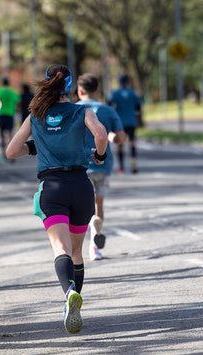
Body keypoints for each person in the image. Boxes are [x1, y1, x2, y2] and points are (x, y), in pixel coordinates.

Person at [6, 64, 108, 334]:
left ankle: (68, 296)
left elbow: (11, 151)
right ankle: (75, 302)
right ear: (70, 86)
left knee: (60, 250)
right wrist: (100, 156)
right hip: (81, 187)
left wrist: (37, 147)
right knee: (76, 252)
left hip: (52, 188)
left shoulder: (35, 114)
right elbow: (100, 135)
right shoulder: (82, 110)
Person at [76, 73, 126, 261]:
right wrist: (112, 137)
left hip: (80, 165)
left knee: (81, 206)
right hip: (103, 163)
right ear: (97, 90)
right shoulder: (108, 111)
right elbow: (121, 138)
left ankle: (81, 245)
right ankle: (95, 246)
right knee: (99, 204)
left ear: (79, 91)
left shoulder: (74, 110)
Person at [108, 74, 141, 174]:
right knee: (132, 143)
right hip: (131, 121)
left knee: (120, 144)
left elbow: (109, 104)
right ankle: (133, 164)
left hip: (120, 122)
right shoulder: (132, 92)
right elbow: (138, 106)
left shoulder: (115, 93)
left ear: (119, 82)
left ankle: (121, 167)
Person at [0, 77, 21, 161]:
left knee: (1, 136)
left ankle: (3, 156)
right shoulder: (12, 92)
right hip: (10, 114)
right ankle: (11, 155)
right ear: (8, 83)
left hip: (1, 114)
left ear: (2, 83)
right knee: (10, 135)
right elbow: (18, 101)